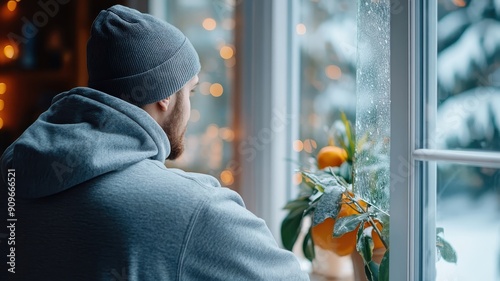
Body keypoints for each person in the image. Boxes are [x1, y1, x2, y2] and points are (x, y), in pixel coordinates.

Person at [0, 5, 310, 281]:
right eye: (191, 92)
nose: (190, 107)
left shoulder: (13, 178)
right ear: (164, 94)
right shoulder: (197, 210)